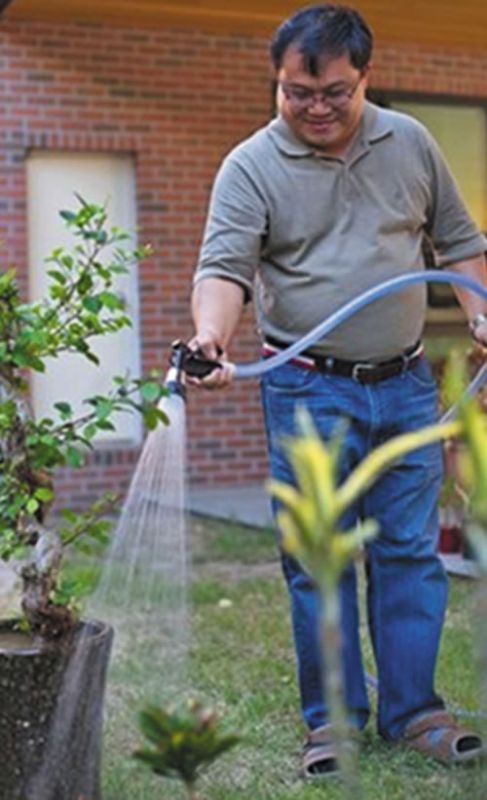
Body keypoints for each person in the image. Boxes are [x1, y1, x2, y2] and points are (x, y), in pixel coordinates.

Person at [190, 3, 487, 776]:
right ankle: (334, 724)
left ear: (364, 77)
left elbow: (457, 243)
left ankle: (415, 711)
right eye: (297, 93)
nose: (315, 109)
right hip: (305, 388)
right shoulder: (250, 165)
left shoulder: (411, 143)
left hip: (406, 385)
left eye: (334, 93)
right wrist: (210, 338)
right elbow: (222, 270)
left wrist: (480, 313)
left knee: (409, 554)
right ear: (278, 82)